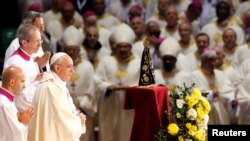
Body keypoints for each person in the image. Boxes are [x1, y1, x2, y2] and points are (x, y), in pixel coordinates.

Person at [95, 23, 140, 141]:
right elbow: (96, 80)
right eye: (120, 46)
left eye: (126, 46)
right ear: (115, 47)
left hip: (130, 108)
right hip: (109, 104)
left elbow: (146, 85)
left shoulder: (139, 63)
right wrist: (107, 86)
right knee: (109, 133)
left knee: (127, 133)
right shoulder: (106, 61)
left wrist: (131, 88)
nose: (123, 49)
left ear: (131, 47)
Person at [28, 52, 86, 141]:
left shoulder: (56, 85)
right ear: (57, 68)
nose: (72, 71)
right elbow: (62, 117)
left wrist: (76, 116)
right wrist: (78, 121)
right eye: (69, 67)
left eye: (73, 67)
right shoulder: (51, 88)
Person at [62, 25, 96, 141]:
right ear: (64, 50)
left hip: (83, 110)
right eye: (68, 49)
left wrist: (82, 104)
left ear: (79, 50)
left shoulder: (87, 66)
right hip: (64, 111)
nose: (71, 52)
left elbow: (92, 89)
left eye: (74, 49)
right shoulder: (58, 67)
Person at [4, 25, 43, 111]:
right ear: (24, 43)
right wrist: (38, 84)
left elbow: (31, 83)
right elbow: (21, 96)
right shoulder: (15, 63)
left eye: (40, 40)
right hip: (22, 112)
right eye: (37, 41)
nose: (40, 45)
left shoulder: (29, 59)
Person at [0, 65, 34, 141]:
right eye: (22, 81)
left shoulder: (6, 100)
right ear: (12, 82)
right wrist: (23, 122)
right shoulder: (4, 104)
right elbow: (14, 136)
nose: (24, 86)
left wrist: (17, 119)